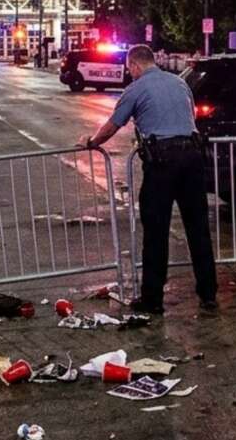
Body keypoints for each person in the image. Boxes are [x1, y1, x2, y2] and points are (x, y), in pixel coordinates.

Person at [79, 45, 217, 314]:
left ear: (135, 66)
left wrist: (91, 142)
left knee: (156, 232)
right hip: (192, 158)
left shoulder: (136, 88)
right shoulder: (179, 84)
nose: (130, 73)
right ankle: (208, 293)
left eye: (130, 69)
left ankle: (152, 299)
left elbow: (112, 125)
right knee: (198, 229)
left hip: (162, 163)